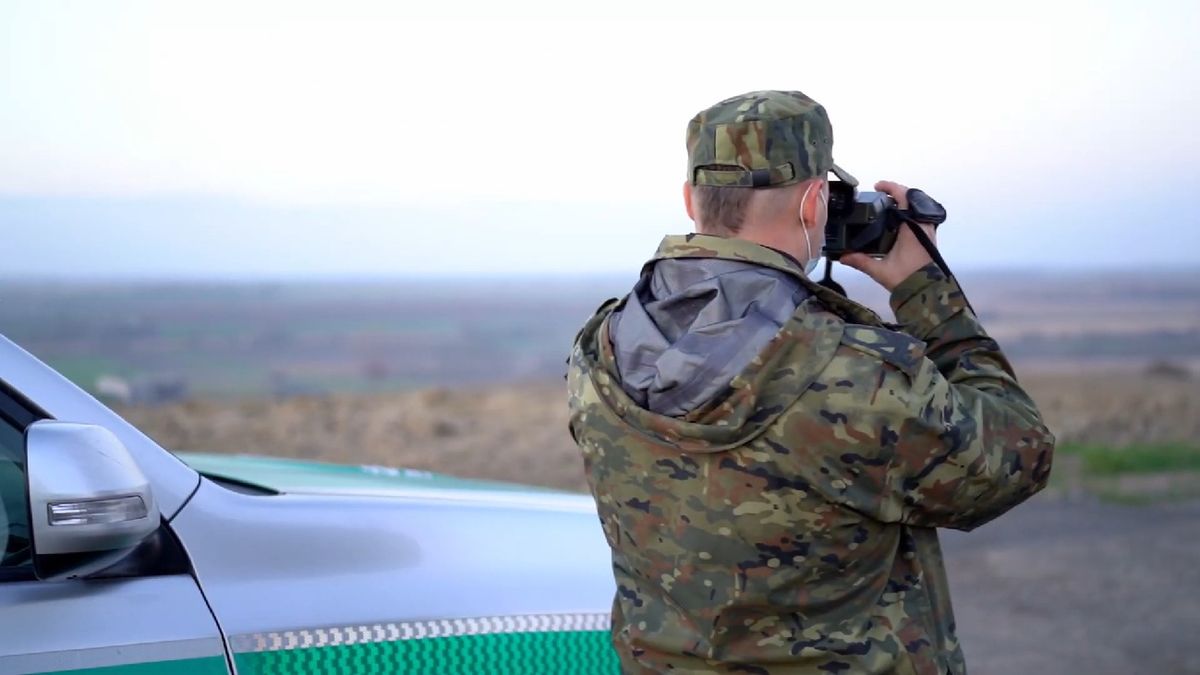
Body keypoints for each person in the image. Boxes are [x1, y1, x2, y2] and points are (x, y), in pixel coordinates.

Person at [566, 90, 1055, 675]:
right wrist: (928, 291)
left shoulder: (601, 345)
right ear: (813, 201)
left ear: (690, 201)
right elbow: (1016, 459)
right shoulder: (851, 372)